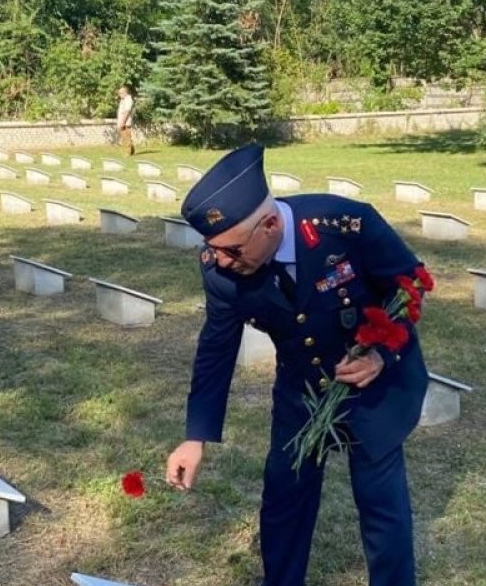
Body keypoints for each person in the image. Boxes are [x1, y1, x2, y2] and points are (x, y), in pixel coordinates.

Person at [165, 144, 429, 586]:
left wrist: (381, 355)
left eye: (232, 250)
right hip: (302, 392)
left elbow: (410, 285)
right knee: (284, 498)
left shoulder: (347, 225)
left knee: (382, 507)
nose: (223, 261)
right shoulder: (220, 270)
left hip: (373, 388)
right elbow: (216, 348)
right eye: (214, 249)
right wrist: (196, 436)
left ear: (269, 225)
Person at [116, 85, 135, 156]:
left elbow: (127, 112)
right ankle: (131, 150)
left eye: (120, 93)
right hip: (123, 121)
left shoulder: (128, 99)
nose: (119, 94)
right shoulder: (123, 99)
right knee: (125, 137)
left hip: (125, 122)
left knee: (126, 137)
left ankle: (128, 152)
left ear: (125, 92)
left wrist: (123, 122)